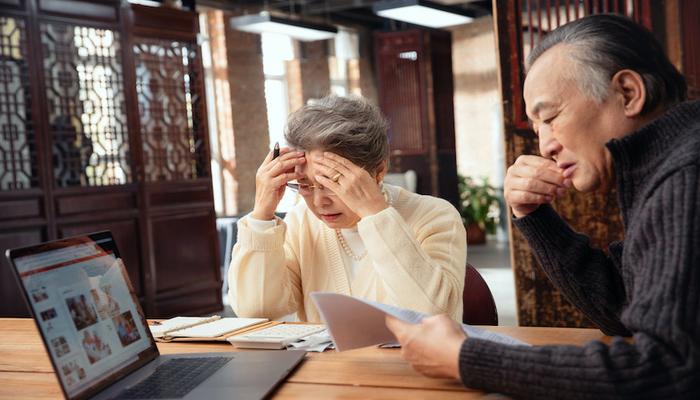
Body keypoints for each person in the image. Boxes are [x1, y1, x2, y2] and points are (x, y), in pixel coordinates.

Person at [386, 14, 699, 398]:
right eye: (537, 129)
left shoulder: (686, 174)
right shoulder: (665, 165)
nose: (545, 145)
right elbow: (619, 309)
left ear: (629, 93)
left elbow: (666, 372)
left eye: (550, 117)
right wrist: (533, 216)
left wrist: (464, 358)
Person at [228, 95, 467, 322]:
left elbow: (432, 316)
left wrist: (376, 213)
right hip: (325, 366)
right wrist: (261, 215)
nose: (320, 202)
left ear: (379, 171)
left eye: (334, 182)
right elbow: (257, 310)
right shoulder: (301, 221)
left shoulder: (435, 216)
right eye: (305, 185)